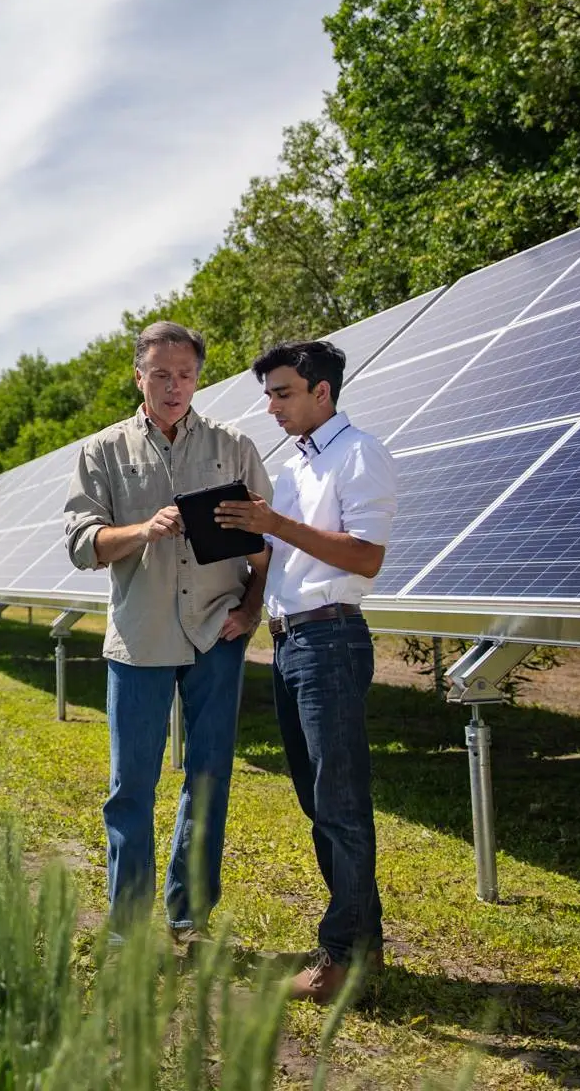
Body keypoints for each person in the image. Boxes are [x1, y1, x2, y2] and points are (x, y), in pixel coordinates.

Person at [63, 321, 271, 940]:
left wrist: (253, 609)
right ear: (139, 376)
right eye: (161, 374)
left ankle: (190, 917)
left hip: (217, 634)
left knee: (209, 776)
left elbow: (266, 542)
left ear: (197, 377)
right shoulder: (103, 451)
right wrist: (141, 531)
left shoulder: (233, 446)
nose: (174, 386)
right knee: (132, 784)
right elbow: (81, 545)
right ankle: (127, 925)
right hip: (141, 636)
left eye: (185, 374)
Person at [214, 340, 398, 1003]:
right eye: (269, 394)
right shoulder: (293, 466)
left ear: (323, 391)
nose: (272, 407)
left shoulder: (359, 454)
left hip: (332, 642)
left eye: (283, 392)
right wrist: (248, 586)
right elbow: (276, 557)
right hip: (290, 644)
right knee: (320, 804)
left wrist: (276, 523)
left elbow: (366, 557)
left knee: (341, 807)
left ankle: (342, 960)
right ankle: (362, 949)